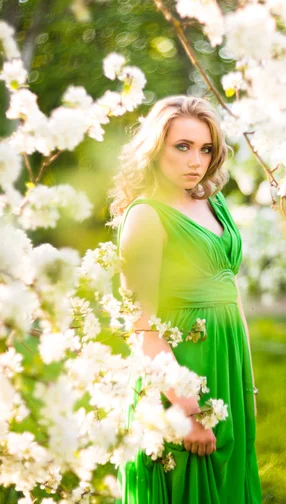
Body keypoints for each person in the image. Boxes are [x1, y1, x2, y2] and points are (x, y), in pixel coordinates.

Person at [109, 95, 262, 503]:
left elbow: (232, 296)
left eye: (206, 148)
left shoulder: (214, 202)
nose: (196, 160)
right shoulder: (146, 216)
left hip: (228, 372)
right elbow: (141, 328)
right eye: (183, 146)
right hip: (178, 381)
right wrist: (188, 411)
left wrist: (247, 390)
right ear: (156, 149)